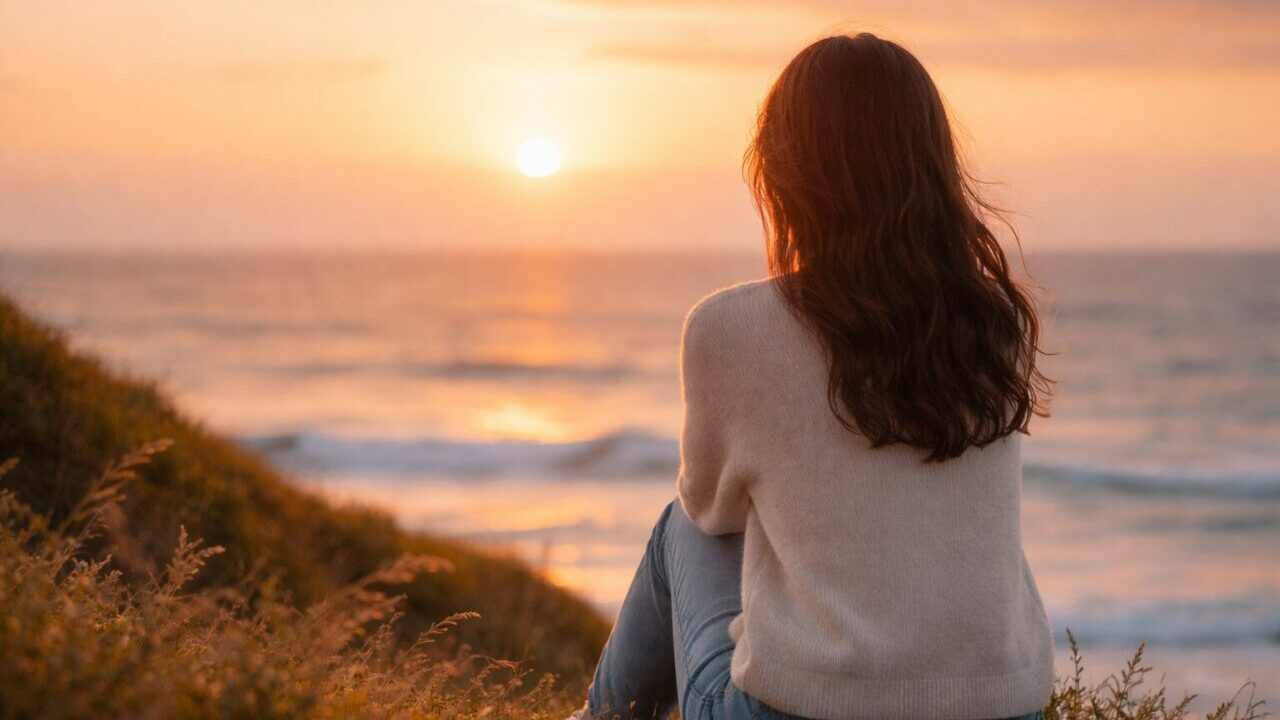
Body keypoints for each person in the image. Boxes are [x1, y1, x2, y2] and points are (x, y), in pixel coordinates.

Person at [573, 32, 1056, 720]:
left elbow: (712, 512)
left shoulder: (731, 328)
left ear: (785, 169)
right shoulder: (995, 323)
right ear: (933, 164)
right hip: (1007, 709)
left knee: (678, 531)